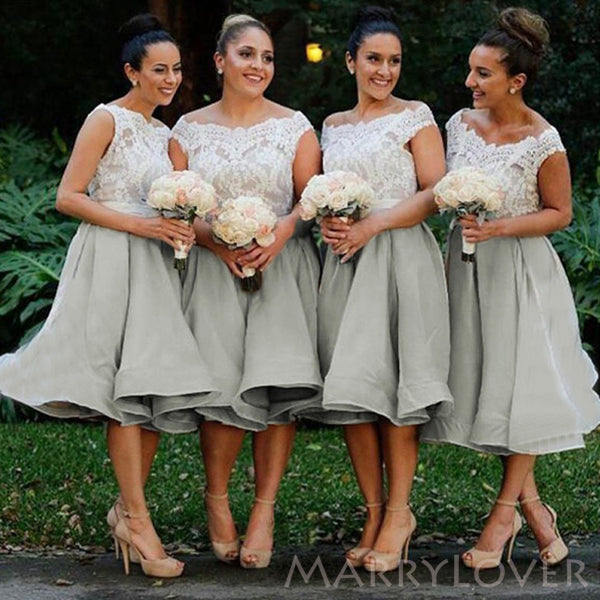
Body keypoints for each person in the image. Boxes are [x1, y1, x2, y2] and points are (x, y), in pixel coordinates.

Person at [0, 13, 218, 578]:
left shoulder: (166, 137)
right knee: (124, 388)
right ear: (131, 71)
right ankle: (139, 522)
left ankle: (126, 510)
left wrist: (221, 236)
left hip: (156, 267)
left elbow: (183, 208)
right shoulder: (106, 119)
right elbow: (68, 196)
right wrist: (142, 225)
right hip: (111, 258)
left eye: (176, 70)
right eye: (159, 70)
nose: (170, 80)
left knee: (151, 385)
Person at [421, 7, 600, 570]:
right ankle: (534, 511)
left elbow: (560, 213)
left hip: (521, 271)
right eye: (471, 70)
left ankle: (503, 516)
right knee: (491, 387)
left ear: (515, 81)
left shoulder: (543, 140)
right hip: (467, 270)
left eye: (483, 74)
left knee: (522, 388)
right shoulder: (458, 125)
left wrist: (498, 227)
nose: (469, 82)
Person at [170, 14, 322, 568]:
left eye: (267, 57)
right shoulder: (187, 130)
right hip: (213, 270)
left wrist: (279, 233)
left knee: (276, 389)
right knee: (220, 388)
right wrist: (216, 241)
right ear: (221, 61)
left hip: (280, 268)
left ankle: (264, 509)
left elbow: (309, 201)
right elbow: (177, 205)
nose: (259, 66)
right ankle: (217, 500)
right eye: (247, 55)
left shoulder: (294, 127)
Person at [311, 6, 452, 573]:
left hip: (400, 259)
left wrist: (372, 225)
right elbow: (322, 191)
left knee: (397, 387)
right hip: (346, 264)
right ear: (351, 62)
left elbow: (435, 191)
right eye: (374, 59)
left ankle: (399, 514)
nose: (384, 71)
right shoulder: (332, 125)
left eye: (394, 61)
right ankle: (373, 512)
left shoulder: (415, 116)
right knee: (357, 389)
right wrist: (331, 221)